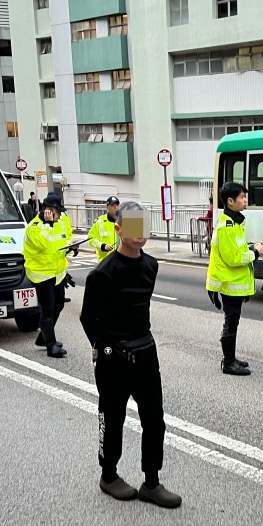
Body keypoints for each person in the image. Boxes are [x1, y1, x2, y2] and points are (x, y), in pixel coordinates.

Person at [80, 201, 182, 509]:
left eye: (143, 225)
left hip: (146, 352)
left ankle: (152, 482)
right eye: (132, 226)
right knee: (113, 418)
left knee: (155, 420)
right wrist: (105, 350)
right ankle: (109, 475)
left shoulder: (151, 266)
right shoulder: (103, 272)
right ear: (119, 229)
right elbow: (88, 319)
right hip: (114, 355)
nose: (139, 233)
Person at [206, 182, 263, 376]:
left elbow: (237, 250)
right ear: (230, 201)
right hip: (228, 285)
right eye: (242, 197)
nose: (245, 200)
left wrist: (249, 247)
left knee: (233, 322)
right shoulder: (227, 227)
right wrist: (255, 253)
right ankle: (229, 363)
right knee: (230, 323)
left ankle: (230, 359)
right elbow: (234, 259)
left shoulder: (236, 223)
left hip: (233, 284)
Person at [22, 192, 74, 358]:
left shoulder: (56, 224)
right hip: (41, 274)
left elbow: (60, 244)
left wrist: (71, 248)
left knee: (59, 303)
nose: (61, 215)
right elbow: (44, 245)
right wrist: (48, 224)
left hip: (56, 272)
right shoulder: (34, 227)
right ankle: (50, 345)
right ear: (49, 211)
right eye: (58, 212)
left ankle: (43, 337)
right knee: (48, 308)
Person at [87, 195, 120, 263]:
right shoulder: (100, 222)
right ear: (107, 207)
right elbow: (91, 238)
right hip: (105, 262)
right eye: (112, 205)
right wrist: (102, 246)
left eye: (117, 205)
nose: (115, 207)